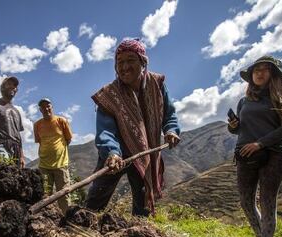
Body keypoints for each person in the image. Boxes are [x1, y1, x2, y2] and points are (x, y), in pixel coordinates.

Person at [86, 39, 180, 217]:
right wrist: (112, 153)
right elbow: (105, 130)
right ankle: (83, 222)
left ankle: (139, 231)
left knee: (142, 196)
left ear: (143, 62)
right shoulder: (109, 95)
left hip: (144, 153)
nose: (124, 67)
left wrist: (171, 130)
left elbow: (169, 113)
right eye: (120, 62)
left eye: (130, 60)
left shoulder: (157, 84)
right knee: (98, 195)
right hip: (116, 155)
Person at [228, 55, 282, 237]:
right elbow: (240, 129)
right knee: (246, 201)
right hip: (246, 153)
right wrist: (234, 126)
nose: (260, 73)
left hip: (274, 153)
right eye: (256, 70)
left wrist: (260, 143)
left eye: (265, 69)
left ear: (274, 74)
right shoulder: (244, 101)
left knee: (267, 201)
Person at [34, 98, 73, 214]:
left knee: (64, 195)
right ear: (40, 110)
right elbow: (40, 141)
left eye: (48, 106)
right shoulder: (37, 125)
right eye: (43, 107)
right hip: (44, 166)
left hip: (60, 165)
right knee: (45, 195)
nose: (46, 109)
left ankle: (67, 220)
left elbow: (68, 139)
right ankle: (46, 219)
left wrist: (59, 152)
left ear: (52, 107)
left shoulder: (61, 121)